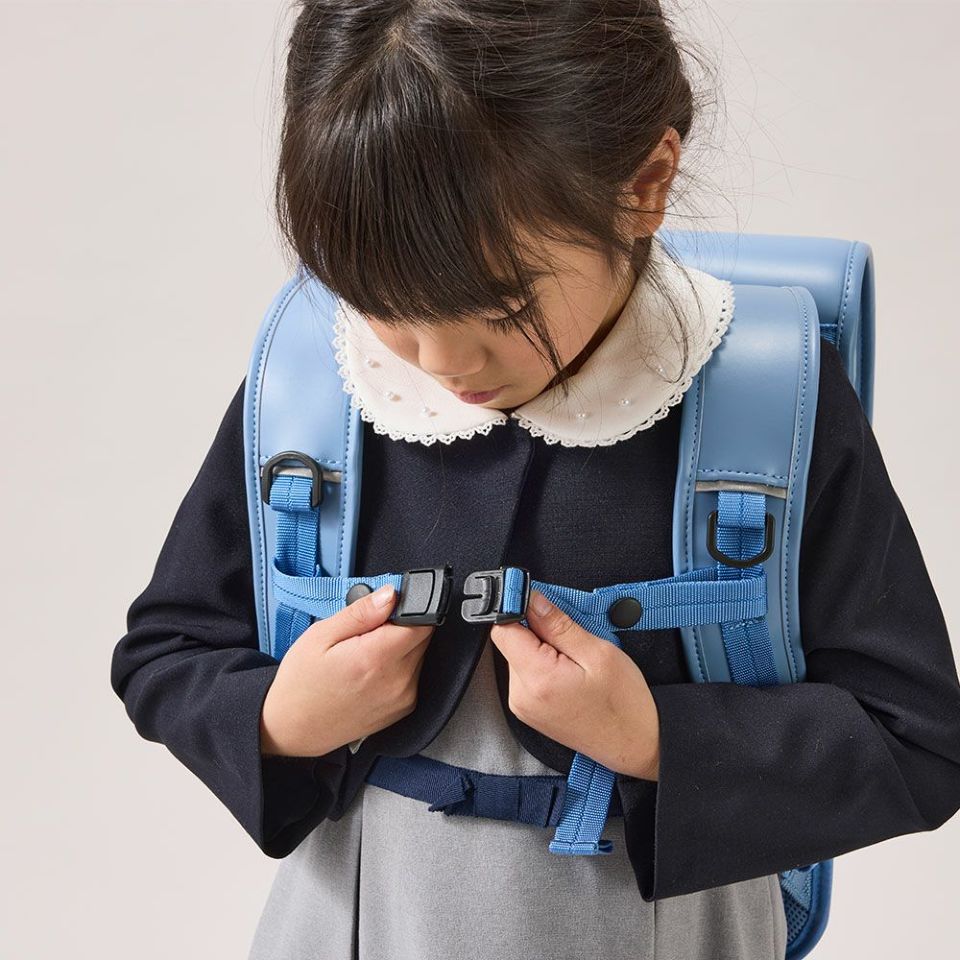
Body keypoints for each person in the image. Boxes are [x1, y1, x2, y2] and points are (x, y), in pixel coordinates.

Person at [109, 2, 960, 958]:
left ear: (646, 184)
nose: (441, 363)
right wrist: (277, 718)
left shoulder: (764, 401)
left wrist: (655, 736)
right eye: (383, 305)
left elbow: (918, 740)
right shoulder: (324, 381)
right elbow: (164, 651)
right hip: (358, 919)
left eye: (503, 308)